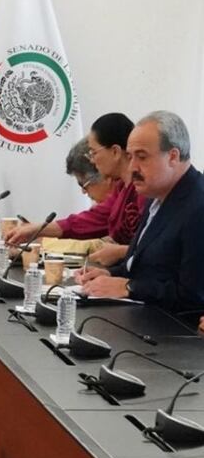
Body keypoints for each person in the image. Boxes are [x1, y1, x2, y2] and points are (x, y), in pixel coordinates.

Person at [78, 111, 204, 312]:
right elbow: (145, 267)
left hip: (171, 327)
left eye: (142, 157)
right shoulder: (156, 195)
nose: (132, 167)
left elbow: (194, 296)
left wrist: (129, 287)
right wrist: (111, 274)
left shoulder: (198, 206)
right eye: (130, 157)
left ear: (173, 156)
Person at [7, 113, 144, 268]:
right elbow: (87, 222)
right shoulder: (122, 190)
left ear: (115, 152)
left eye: (93, 152)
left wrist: (120, 253)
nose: (92, 160)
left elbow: (156, 248)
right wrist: (36, 229)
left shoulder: (145, 189)